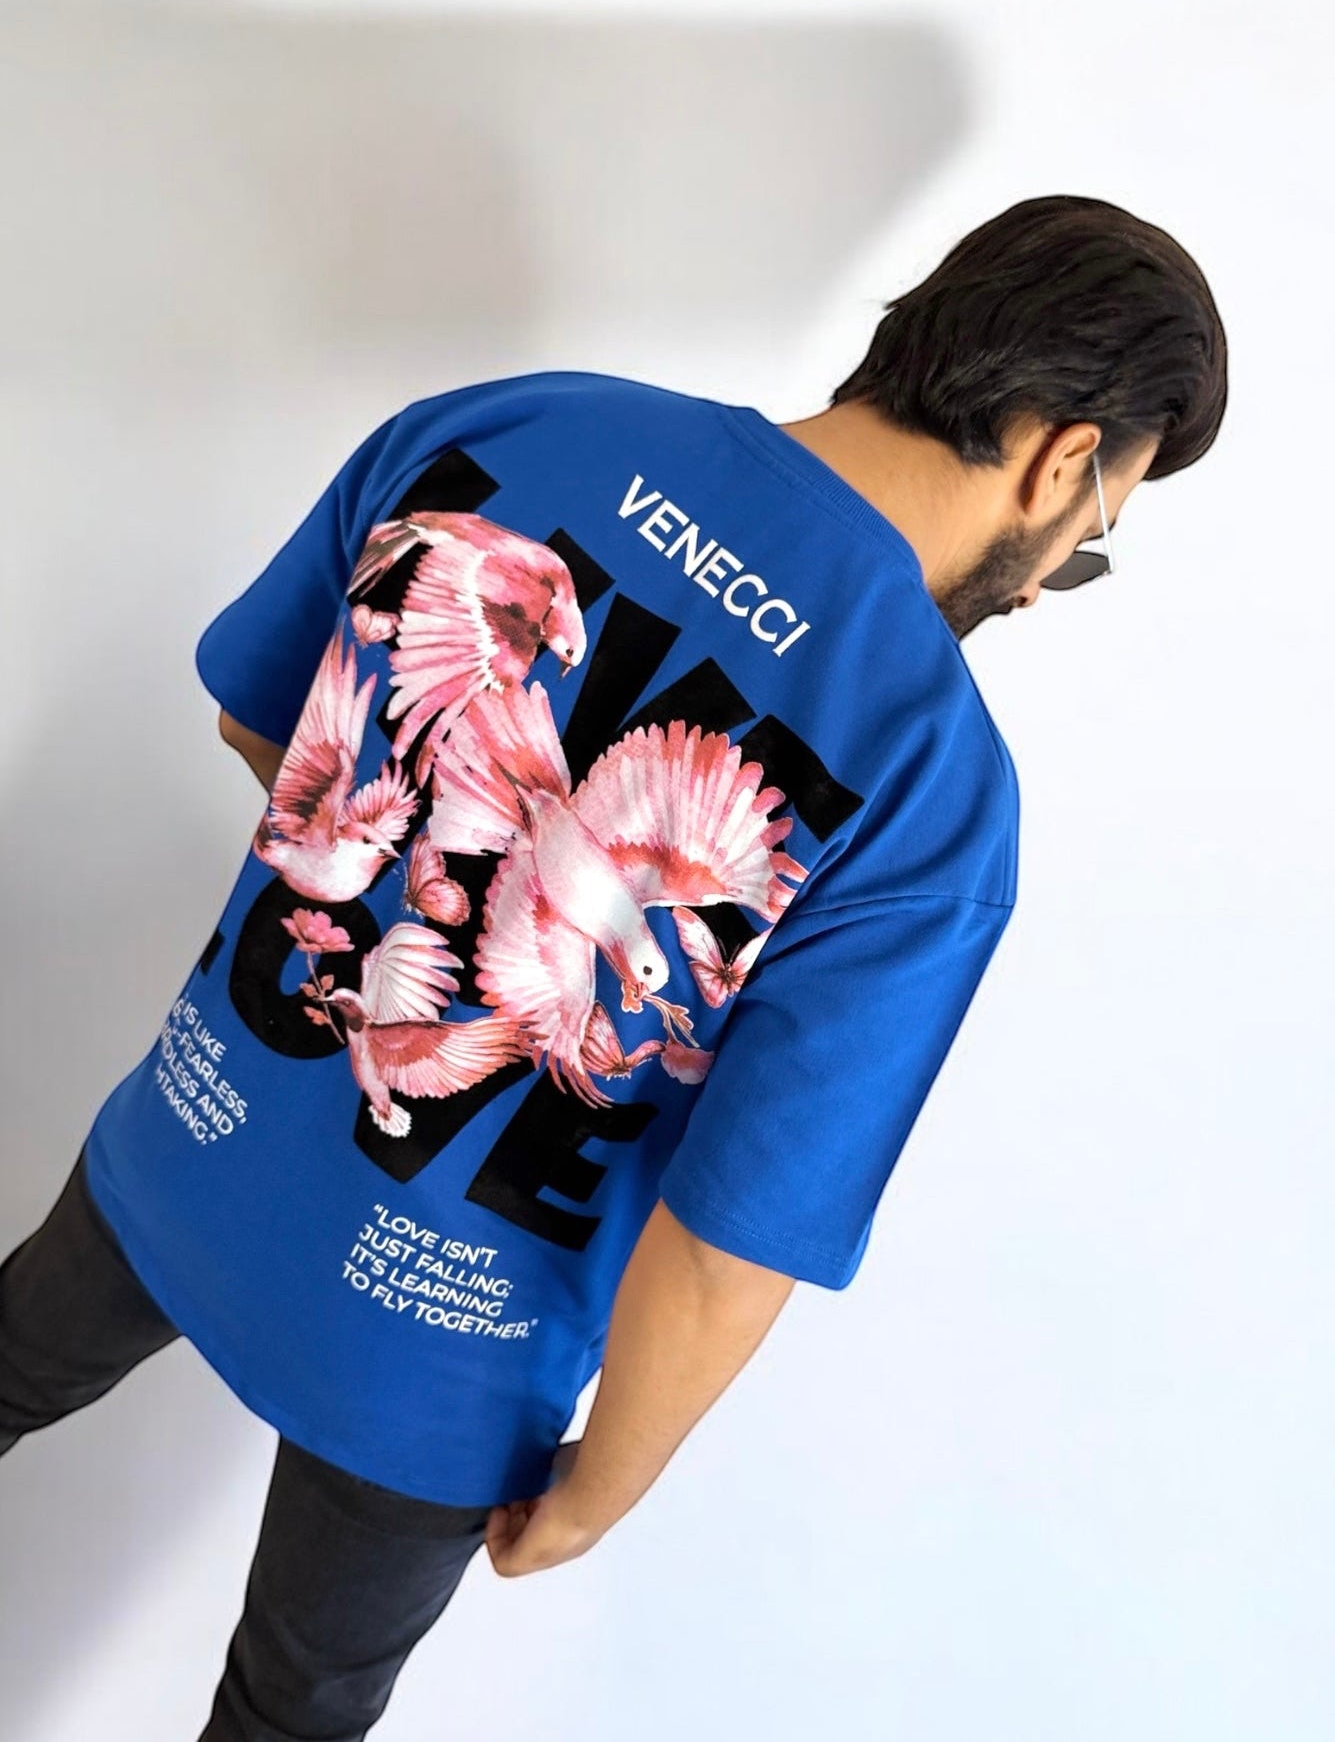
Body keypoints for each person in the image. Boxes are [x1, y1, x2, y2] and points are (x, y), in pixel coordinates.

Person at [0, 194, 1226, 1739]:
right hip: (440, 1352)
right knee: (288, 1708)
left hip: (189, 1140)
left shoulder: (518, 423)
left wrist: (432, 887)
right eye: (1090, 536)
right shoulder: (933, 780)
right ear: (1063, 459)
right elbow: (729, 1237)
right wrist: (601, 1486)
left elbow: (268, 716)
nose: (1045, 582)